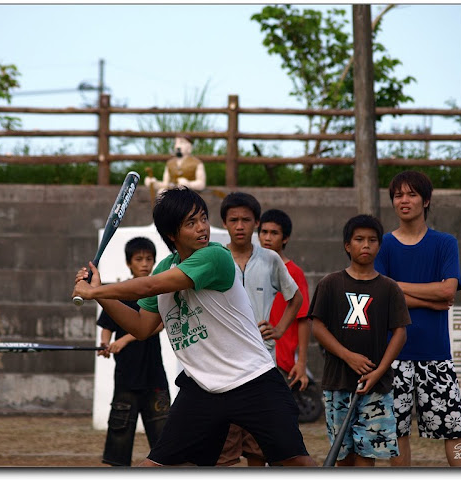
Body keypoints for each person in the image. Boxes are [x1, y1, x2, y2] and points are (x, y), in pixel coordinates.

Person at [72, 186, 316, 467]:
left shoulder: (216, 256)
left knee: (296, 462)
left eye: (203, 218)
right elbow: (141, 327)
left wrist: (96, 291)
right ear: (172, 234)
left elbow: (150, 286)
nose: (202, 228)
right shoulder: (164, 267)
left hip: (252, 380)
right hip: (202, 388)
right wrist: (99, 294)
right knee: (158, 466)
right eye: (191, 223)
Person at [374, 170, 461, 467]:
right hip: (393, 355)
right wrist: (431, 300)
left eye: (412, 194)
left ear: (426, 200)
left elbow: (447, 290)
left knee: (454, 431)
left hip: (436, 355)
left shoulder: (445, 243)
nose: (404, 200)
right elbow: (381, 296)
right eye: (398, 195)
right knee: (397, 433)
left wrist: (395, 286)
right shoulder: (383, 245)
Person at [310, 214, 410, 467]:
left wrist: (378, 372)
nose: (366, 245)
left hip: (376, 386)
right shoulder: (330, 284)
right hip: (338, 382)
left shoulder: (389, 288)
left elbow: (400, 333)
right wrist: (348, 356)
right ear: (347, 245)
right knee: (342, 455)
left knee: (367, 454)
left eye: (372, 240)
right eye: (359, 239)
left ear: (379, 246)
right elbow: (317, 327)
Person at [217, 193, 303, 467]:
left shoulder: (270, 259)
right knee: (224, 445)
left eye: (246, 220)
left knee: (259, 445)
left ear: (256, 223)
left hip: (262, 361)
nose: (239, 226)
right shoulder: (215, 258)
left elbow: (296, 298)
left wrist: (279, 329)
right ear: (224, 223)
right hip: (224, 363)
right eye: (233, 220)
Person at [96, 237, 171, 466]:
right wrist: (105, 344)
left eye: (149, 259)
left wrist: (125, 340)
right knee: (119, 442)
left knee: (166, 443)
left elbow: (157, 325)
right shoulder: (120, 292)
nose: (145, 264)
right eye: (139, 259)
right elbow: (106, 326)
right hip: (126, 378)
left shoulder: (159, 291)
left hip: (154, 376)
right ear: (129, 263)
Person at [258, 208, 311, 391]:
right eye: (264, 232)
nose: (267, 238)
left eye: (274, 233)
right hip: (254, 356)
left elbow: (303, 319)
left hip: (282, 360)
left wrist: (301, 362)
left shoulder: (294, 273)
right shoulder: (249, 268)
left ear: (285, 238)